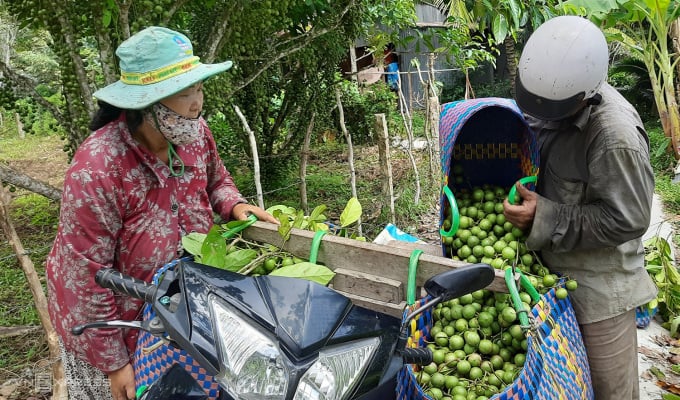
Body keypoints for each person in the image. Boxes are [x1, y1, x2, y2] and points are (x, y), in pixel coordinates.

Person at [45, 26, 278, 400]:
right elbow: (82, 273)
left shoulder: (194, 133)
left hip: (181, 312)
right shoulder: (100, 166)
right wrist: (114, 362)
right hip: (117, 326)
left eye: (199, 89)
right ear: (143, 104)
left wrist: (234, 203)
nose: (197, 104)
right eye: (185, 93)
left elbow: (217, 181)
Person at [503, 16, 656, 399]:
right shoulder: (548, 94)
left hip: (598, 288)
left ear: (585, 95)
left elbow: (629, 218)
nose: (541, 115)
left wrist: (545, 216)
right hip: (546, 278)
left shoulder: (614, 137)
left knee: (609, 390)